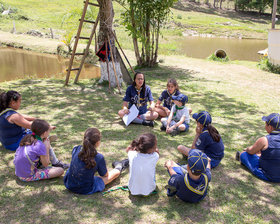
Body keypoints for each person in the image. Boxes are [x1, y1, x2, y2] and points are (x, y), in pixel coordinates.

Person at [0, 90, 69, 169]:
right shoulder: (13, 116)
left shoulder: (5, 112)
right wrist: (47, 127)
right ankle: (55, 162)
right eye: (19, 101)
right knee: (43, 137)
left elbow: (24, 117)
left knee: (40, 133)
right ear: (13, 102)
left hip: (8, 141)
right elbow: (32, 126)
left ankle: (42, 146)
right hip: (14, 143)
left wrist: (38, 120)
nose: (20, 103)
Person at [64, 128, 129, 195]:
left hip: (69, 183)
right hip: (85, 189)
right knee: (114, 174)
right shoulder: (98, 157)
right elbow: (105, 175)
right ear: (98, 142)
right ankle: (119, 166)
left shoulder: (76, 148)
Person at [236, 113, 280, 182]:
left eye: (266, 124)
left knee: (244, 154)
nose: (265, 126)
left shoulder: (264, 140)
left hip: (268, 175)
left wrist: (247, 149)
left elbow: (251, 151)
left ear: (270, 127)